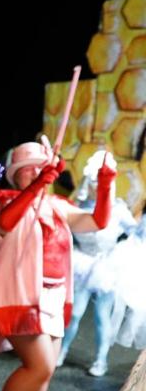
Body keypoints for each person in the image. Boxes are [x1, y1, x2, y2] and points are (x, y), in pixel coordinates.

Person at [0, 139, 116, 391]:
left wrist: (106, 184)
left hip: (52, 297)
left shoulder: (57, 206)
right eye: (28, 171)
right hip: (21, 296)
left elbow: (98, 222)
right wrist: (37, 185)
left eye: (40, 167)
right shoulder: (9, 202)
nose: (36, 173)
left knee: (44, 373)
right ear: (15, 177)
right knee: (39, 365)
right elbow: (6, 223)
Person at [56, 150, 135, 377]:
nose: (95, 186)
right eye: (92, 182)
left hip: (106, 268)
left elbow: (133, 231)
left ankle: (101, 360)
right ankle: (61, 350)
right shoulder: (77, 207)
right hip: (81, 264)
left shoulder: (118, 209)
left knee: (102, 317)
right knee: (75, 313)